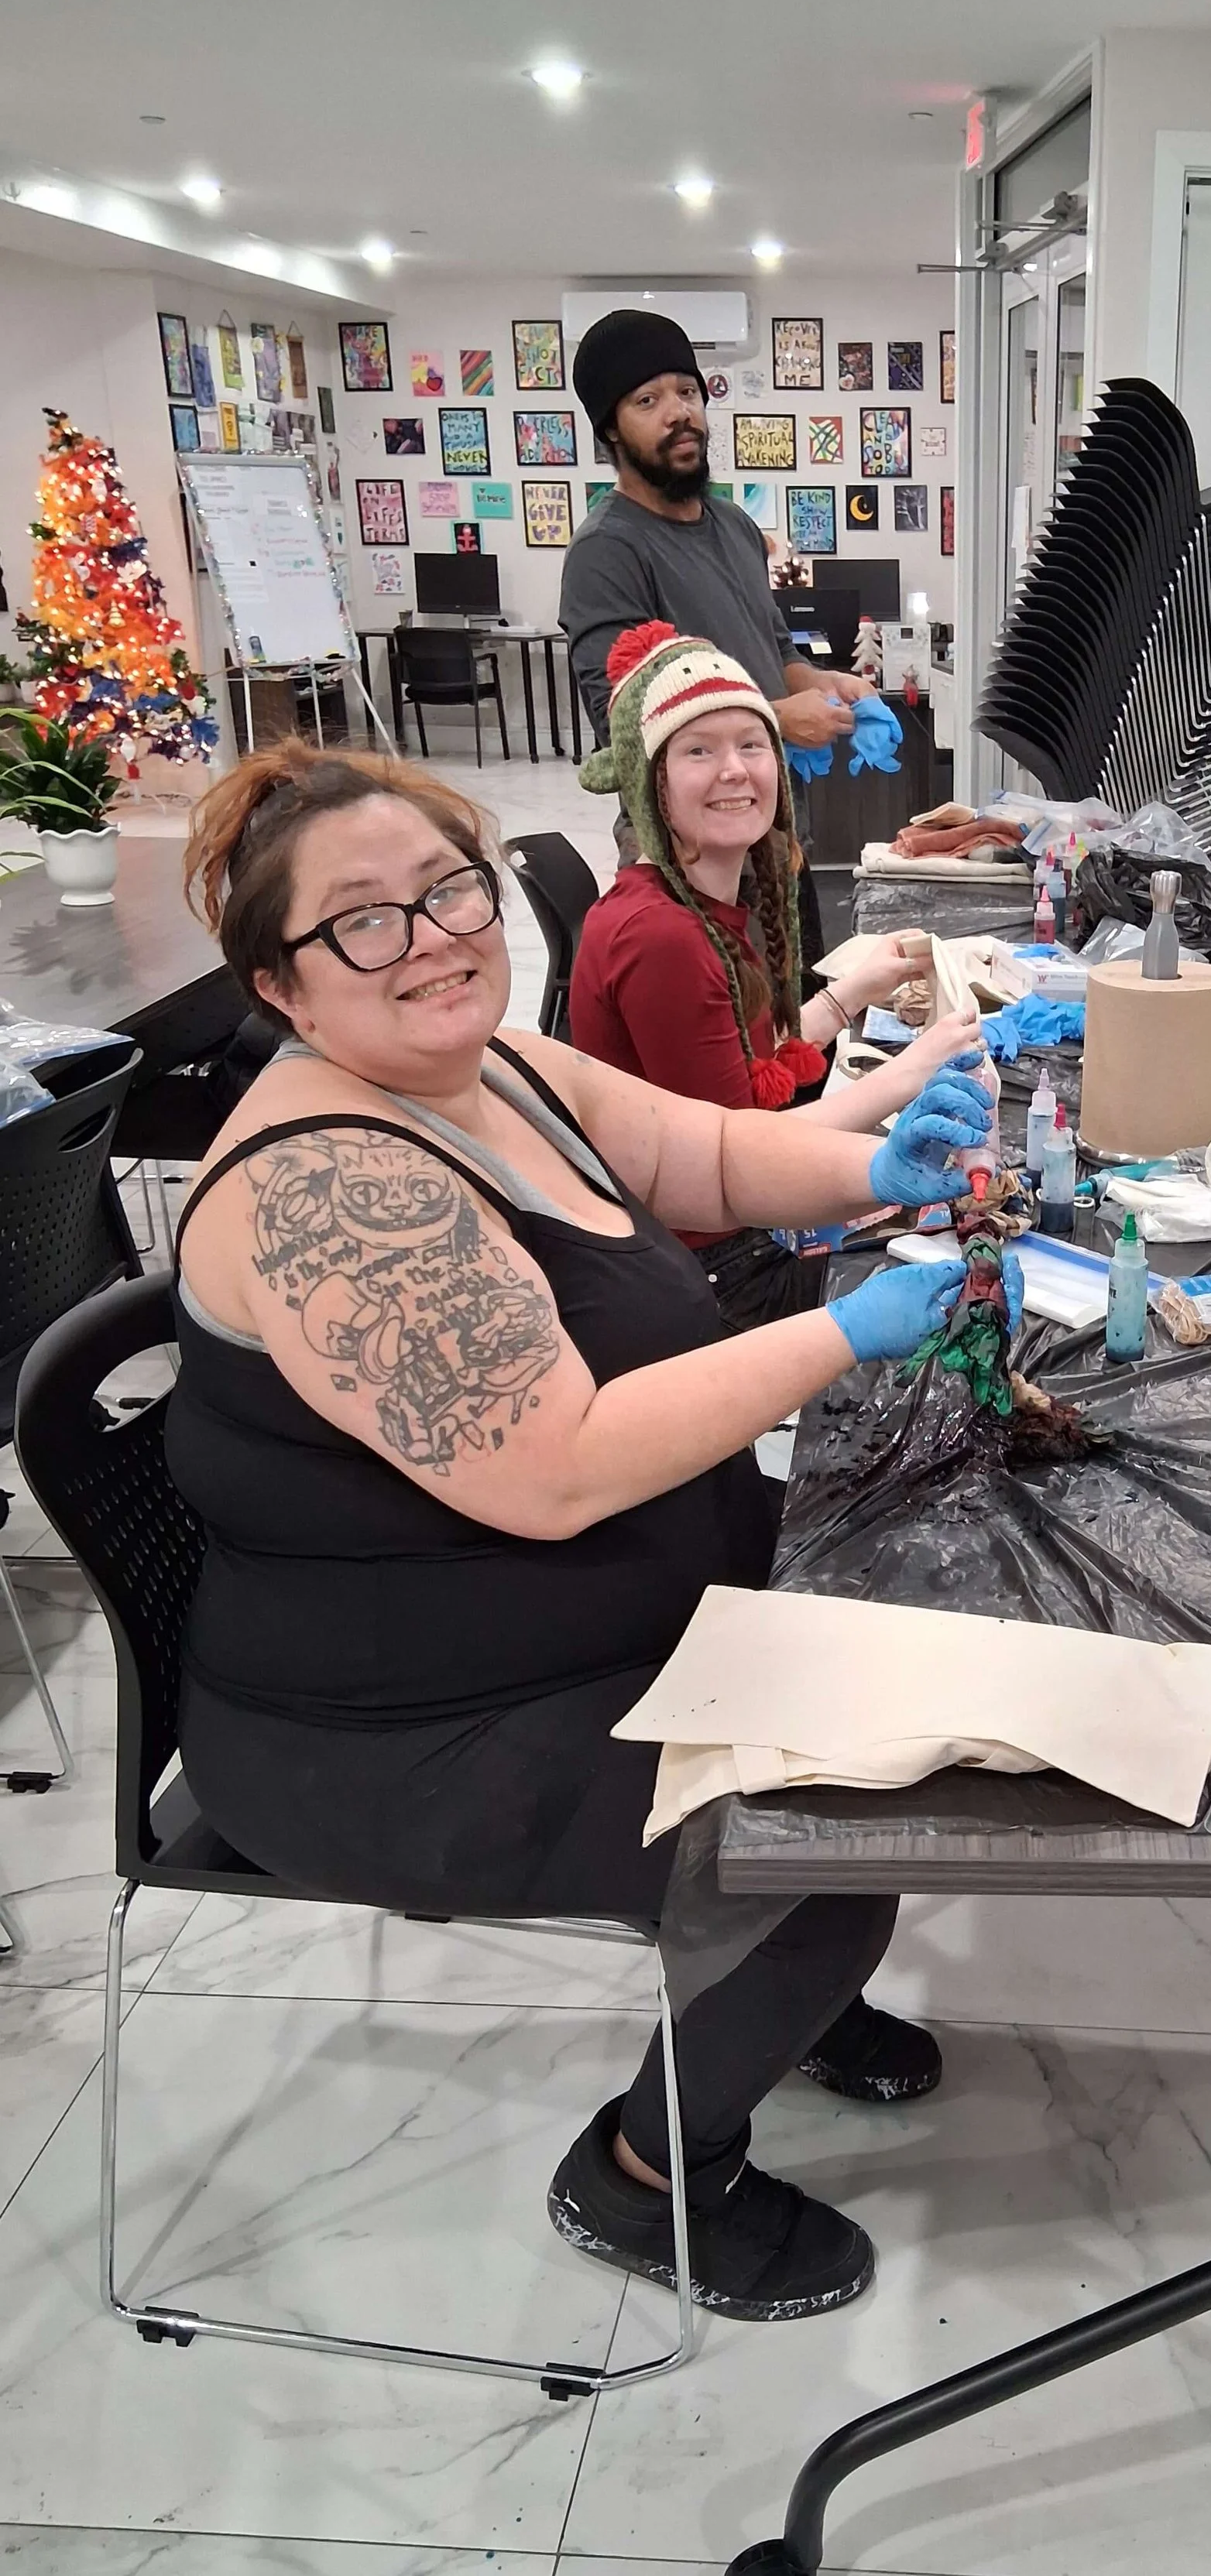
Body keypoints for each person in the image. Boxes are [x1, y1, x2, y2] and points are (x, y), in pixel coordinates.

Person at [166, 741, 1017, 2324]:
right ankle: (644, 2173)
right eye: (360, 920)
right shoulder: (325, 1187)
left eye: (445, 889)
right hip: (400, 1725)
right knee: (825, 1842)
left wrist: (865, 1170)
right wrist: (857, 1327)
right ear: (281, 985)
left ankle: (778, 1998)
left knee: (908, 1580)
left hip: (573, 1607)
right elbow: (550, 1466)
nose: (426, 937)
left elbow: (698, 1154)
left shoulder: (491, 1066)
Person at [569, 620, 976, 1327]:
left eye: (751, 744)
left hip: (710, 1235)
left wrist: (857, 989)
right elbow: (746, 1159)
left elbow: (750, 1070)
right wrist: (909, 1072)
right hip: (702, 1271)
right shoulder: (662, 938)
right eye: (699, 749)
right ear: (651, 781)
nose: (734, 770)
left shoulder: (695, 903)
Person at [561, 309, 866, 892]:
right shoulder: (607, 552)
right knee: (710, 988)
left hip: (775, 827)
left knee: (795, 986)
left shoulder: (735, 525)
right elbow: (624, 726)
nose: (679, 413)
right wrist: (775, 722)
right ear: (612, 430)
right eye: (647, 401)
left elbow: (775, 652)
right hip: (687, 851)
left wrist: (823, 683)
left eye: (687, 392)